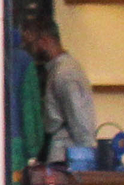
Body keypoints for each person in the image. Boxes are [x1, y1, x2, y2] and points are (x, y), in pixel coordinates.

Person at [26, 18, 98, 171]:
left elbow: (81, 121)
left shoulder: (65, 74)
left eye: (31, 45)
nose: (30, 51)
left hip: (66, 158)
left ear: (44, 41)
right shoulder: (62, 70)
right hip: (66, 156)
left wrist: (85, 164)